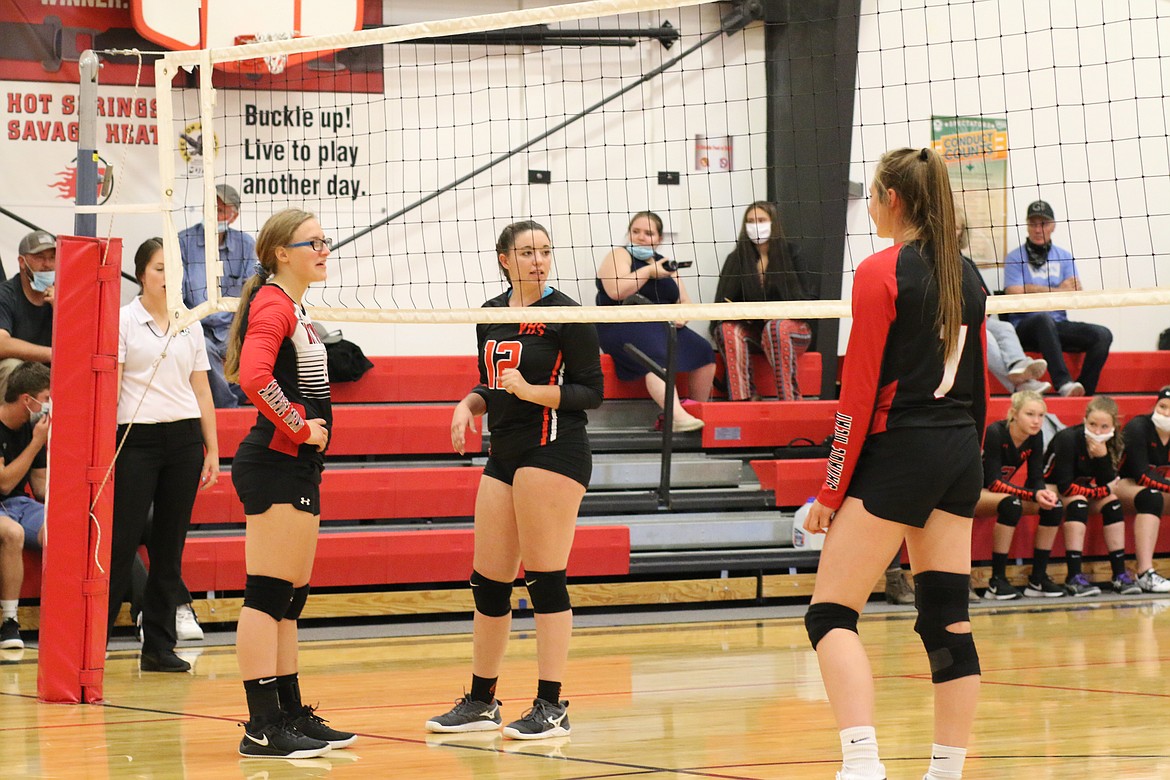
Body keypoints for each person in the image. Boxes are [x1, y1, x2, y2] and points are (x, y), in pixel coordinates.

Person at [802, 147, 987, 780]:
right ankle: (946, 771)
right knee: (946, 619)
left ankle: (861, 764)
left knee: (830, 614)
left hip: (901, 449)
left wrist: (829, 493)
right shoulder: (968, 274)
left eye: (875, 195)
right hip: (959, 450)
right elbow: (980, 387)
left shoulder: (880, 272)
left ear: (894, 201)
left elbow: (856, 397)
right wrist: (967, 462)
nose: (873, 206)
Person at [427, 220, 603, 740]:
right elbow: (494, 383)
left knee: (544, 578)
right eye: (527, 252)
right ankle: (482, 701)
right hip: (503, 453)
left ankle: (552, 705)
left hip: (555, 447)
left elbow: (591, 393)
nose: (538, 260)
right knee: (489, 582)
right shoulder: (490, 314)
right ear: (504, 258)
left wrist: (531, 392)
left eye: (545, 252)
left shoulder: (568, 314)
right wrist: (468, 403)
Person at [223, 209, 354, 758]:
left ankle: (289, 713)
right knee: (268, 595)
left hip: (296, 464)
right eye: (313, 242)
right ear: (281, 252)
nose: (324, 249)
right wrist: (299, 425)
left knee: (289, 600)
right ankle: (261, 727)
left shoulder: (293, 306)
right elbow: (251, 376)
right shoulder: (274, 303)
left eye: (326, 241)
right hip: (275, 459)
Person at [106, 239, 220, 672]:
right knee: (121, 543)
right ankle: (94, 642)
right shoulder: (122, 322)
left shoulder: (189, 323)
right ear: (141, 275)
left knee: (170, 546)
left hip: (184, 441)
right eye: (159, 270)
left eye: (173, 270)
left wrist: (212, 447)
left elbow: (202, 387)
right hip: (136, 439)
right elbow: (112, 387)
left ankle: (158, 645)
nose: (168, 278)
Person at [595, 211, 713, 431]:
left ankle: (698, 410)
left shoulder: (666, 264)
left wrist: (681, 317)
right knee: (655, 355)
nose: (640, 237)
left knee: (704, 351)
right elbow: (616, 291)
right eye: (636, 231)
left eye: (648, 233)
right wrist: (649, 271)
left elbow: (685, 301)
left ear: (659, 239)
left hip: (660, 325)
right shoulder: (619, 255)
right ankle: (677, 417)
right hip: (621, 323)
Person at [1003, 200, 1112, 397]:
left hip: (1057, 324)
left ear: (1052, 226)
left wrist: (1033, 289)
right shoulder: (1014, 257)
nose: (1038, 229)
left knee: (1103, 335)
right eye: (1033, 224)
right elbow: (1014, 293)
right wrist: (1056, 290)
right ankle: (1063, 383)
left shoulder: (1064, 256)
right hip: (1026, 325)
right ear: (1027, 226)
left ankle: (1083, 392)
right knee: (1042, 319)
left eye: (1043, 224)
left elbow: (1074, 294)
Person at [711, 201, 815, 401]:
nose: (755, 225)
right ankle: (743, 398)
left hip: (792, 330)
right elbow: (721, 305)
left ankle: (789, 399)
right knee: (726, 329)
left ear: (773, 223)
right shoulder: (736, 259)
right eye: (750, 221)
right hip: (755, 332)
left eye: (761, 220)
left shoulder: (792, 254)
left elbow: (807, 301)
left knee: (776, 328)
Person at [973, 390, 1065, 600]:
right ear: (1014, 413)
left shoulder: (1035, 436)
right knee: (1012, 504)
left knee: (1054, 506)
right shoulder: (995, 432)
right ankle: (996, 581)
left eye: (1041, 415)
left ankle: (1038, 579)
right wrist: (1033, 495)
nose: (1036, 421)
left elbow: (1035, 477)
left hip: (998, 493)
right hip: (975, 492)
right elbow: (995, 482)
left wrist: (1042, 492)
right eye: (1030, 414)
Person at [1044, 395, 1135, 596]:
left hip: (1084, 489)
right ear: (1084, 421)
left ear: (1113, 426)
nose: (1097, 431)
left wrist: (1102, 457)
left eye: (1104, 427)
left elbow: (1109, 484)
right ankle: (1074, 576)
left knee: (1112, 504)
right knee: (1078, 504)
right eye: (1092, 424)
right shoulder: (1068, 438)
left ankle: (1119, 575)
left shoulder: (1114, 443)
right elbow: (1066, 486)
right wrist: (1102, 491)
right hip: (1052, 487)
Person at [179, 183, 258, 409]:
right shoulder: (182, 242)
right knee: (203, 348)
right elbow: (178, 295)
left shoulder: (246, 245)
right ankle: (228, 410)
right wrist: (188, 325)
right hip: (195, 326)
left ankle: (231, 399)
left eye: (221, 210)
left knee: (266, 349)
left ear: (233, 216)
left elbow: (252, 293)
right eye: (210, 207)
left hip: (233, 329)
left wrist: (243, 330)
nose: (213, 215)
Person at [953, 209, 1048, 394]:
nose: (953, 231)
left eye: (957, 227)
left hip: (975, 318)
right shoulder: (934, 261)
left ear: (962, 231)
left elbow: (986, 298)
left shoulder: (967, 263)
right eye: (949, 227)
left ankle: (1018, 364)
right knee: (985, 337)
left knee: (1005, 328)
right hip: (953, 325)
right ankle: (1018, 382)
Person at [0, 361, 50, 651]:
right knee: (13, 533)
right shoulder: (34, 435)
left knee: (63, 529)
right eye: (45, 399)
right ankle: (9, 621)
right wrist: (36, 443)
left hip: (21, 503)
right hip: (4, 502)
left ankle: (62, 614)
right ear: (26, 400)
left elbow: (41, 487)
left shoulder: (33, 429)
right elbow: (4, 483)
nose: (49, 405)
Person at [1115, 386, 1170, 593]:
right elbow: (1141, 475)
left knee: (1153, 494)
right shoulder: (1139, 427)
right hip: (1116, 483)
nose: (1164, 413)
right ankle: (1144, 572)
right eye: (1162, 406)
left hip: (1147, 485)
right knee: (1151, 497)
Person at [0, 232, 56, 400]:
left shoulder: (63, 295)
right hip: (20, 373)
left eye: (52, 258)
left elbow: (79, 346)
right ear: (22, 262)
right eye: (39, 257)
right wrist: (50, 353)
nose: (47, 265)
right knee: (12, 366)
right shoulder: (6, 294)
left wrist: (59, 308)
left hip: (51, 373)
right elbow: (1, 343)